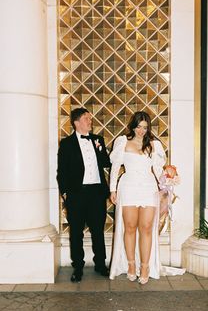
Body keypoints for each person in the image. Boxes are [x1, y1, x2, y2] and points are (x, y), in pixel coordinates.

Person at [109, 111, 185, 284]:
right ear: (133, 126)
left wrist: (167, 182)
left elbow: (158, 171)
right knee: (129, 227)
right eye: (138, 127)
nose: (141, 131)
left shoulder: (154, 145)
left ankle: (145, 267)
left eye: (145, 127)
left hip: (148, 188)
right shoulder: (122, 142)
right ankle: (130, 265)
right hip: (128, 187)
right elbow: (115, 168)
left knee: (146, 228)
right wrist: (113, 189)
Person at [57, 108, 111, 282]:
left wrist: (100, 149)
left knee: (98, 231)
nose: (90, 121)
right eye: (87, 118)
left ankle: (100, 264)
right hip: (76, 194)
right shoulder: (66, 144)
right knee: (76, 233)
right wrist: (65, 193)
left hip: (96, 192)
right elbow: (62, 171)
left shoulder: (98, 139)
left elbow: (106, 163)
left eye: (90, 118)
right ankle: (78, 267)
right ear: (76, 122)